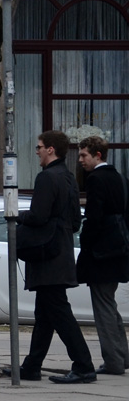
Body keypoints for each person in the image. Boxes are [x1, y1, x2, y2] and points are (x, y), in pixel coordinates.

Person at [5, 130, 96, 384]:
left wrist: (16, 216)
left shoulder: (46, 178)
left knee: (58, 311)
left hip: (48, 256)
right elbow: (76, 221)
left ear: (51, 150)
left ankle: (84, 365)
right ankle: (31, 366)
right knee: (45, 314)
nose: (37, 151)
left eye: (39, 147)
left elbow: (38, 217)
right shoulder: (68, 178)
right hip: (61, 251)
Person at [76, 135, 129, 376]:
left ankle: (114, 361)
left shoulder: (96, 179)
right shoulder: (119, 177)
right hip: (118, 250)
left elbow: (94, 217)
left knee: (103, 307)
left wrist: (85, 242)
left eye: (83, 155)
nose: (80, 161)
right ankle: (122, 357)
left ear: (98, 155)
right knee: (110, 303)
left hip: (101, 253)